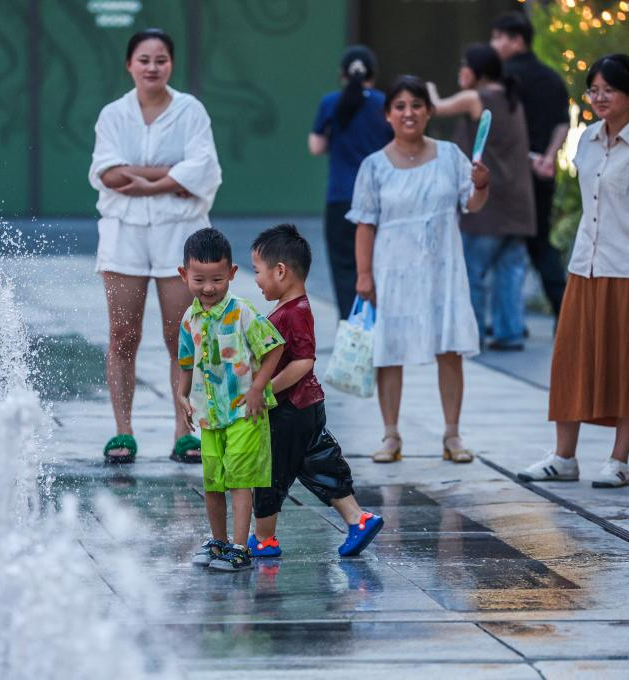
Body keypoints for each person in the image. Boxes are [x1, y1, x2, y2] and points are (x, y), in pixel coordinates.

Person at [518, 54, 629, 489]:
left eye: (610, 89)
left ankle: (618, 461)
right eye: (594, 90)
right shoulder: (587, 140)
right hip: (585, 267)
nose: (600, 97)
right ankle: (563, 458)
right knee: (571, 361)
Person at [89, 29, 222, 465]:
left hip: (178, 232)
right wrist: (170, 176)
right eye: (143, 59)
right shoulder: (113, 114)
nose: (152, 67)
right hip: (124, 233)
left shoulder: (190, 110)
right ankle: (122, 431)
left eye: (160, 59)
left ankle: (184, 431)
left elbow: (202, 170)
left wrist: (143, 179)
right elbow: (107, 173)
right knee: (122, 334)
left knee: (179, 335)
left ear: (171, 64)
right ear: (129, 64)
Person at [348, 76, 490, 464]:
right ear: (388, 115)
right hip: (391, 271)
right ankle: (391, 435)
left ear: (429, 111)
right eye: (400, 106)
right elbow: (365, 224)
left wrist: (481, 186)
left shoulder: (451, 156)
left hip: (443, 269)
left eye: (416, 105)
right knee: (389, 351)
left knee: (449, 349)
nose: (408, 113)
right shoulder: (374, 166)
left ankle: (453, 435)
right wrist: (364, 275)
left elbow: (471, 204)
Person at [249, 224, 384, 558]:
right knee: (317, 462)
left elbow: (304, 362)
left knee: (269, 471)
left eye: (258, 271)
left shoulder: (293, 313)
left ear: (280, 271)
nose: (257, 280)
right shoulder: (291, 309)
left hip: (289, 409)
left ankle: (264, 538)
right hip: (305, 406)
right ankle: (357, 518)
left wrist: (265, 390)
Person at [177, 228, 285, 572]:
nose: (209, 288)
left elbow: (274, 347)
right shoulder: (189, 318)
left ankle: (240, 548)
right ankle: (219, 541)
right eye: (199, 280)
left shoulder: (242, 312)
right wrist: (182, 394)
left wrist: (257, 388)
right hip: (209, 417)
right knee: (213, 481)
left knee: (239, 480)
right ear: (183, 275)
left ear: (232, 273)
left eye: (217, 279)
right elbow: (186, 361)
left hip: (243, 414)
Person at [428, 44, 536, 351]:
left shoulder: (477, 97)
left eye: (465, 65)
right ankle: (510, 333)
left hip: (488, 205)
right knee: (509, 271)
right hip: (517, 203)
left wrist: (428, 87)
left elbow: (435, 106)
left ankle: (471, 334)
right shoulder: (511, 98)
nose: (461, 71)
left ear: (479, 71)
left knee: (472, 272)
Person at [491, 11, 569, 330]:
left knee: (500, 250)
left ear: (517, 40)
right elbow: (563, 123)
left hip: (509, 177)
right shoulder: (552, 77)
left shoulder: (502, 79)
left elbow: (501, 132)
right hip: (543, 174)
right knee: (540, 244)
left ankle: (508, 324)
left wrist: (527, 159)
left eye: (498, 37)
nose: (494, 44)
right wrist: (548, 158)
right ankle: (565, 314)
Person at [309, 45, 394, 317]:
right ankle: (378, 325)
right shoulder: (385, 104)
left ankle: (352, 327)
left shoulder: (330, 103)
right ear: (373, 73)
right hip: (380, 198)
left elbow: (316, 146)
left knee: (344, 268)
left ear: (342, 74)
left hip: (341, 198)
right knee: (378, 266)